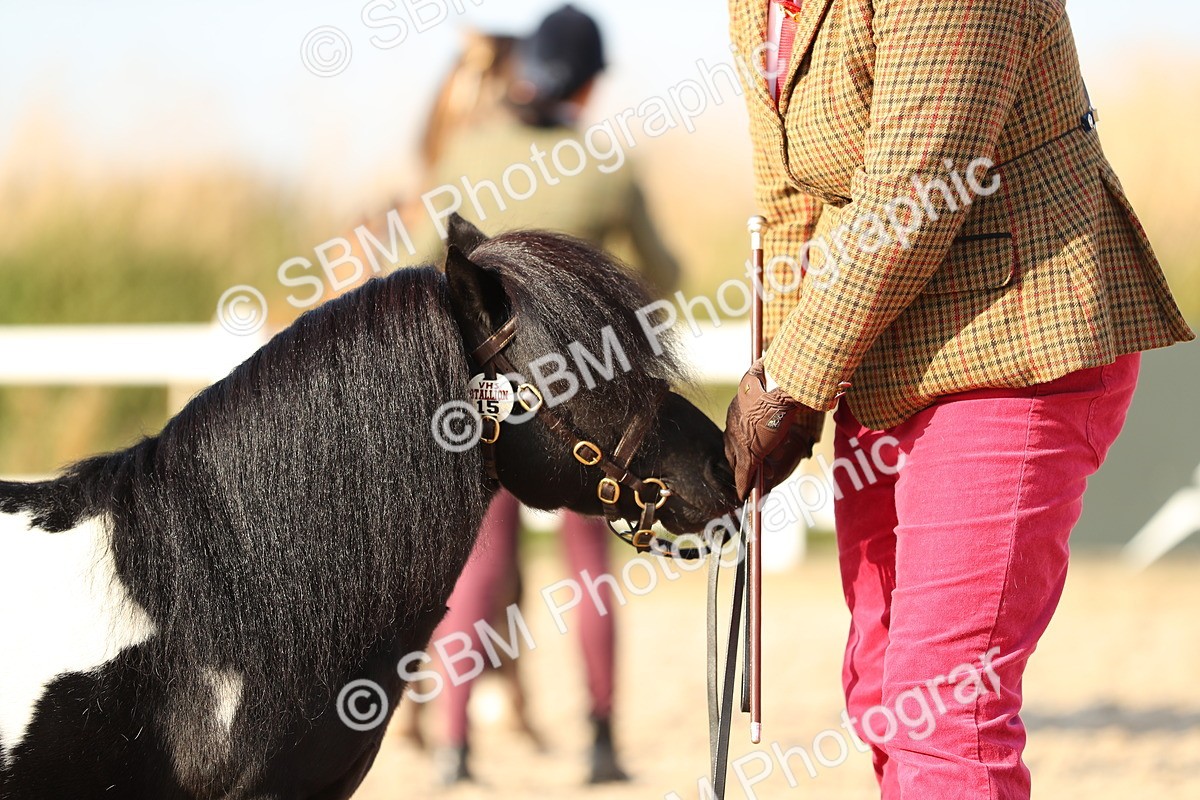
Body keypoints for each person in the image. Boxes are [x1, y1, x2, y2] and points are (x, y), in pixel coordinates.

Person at [721, 2, 1194, 799]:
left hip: (1012, 335)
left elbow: (919, 184)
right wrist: (773, 379)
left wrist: (789, 382)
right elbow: (790, 199)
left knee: (944, 709)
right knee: (881, 694)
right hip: (876, 347)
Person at [423, 5, 681, 786]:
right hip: (586, 395)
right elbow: (662, 273)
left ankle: (454, 745)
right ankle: (601, 742)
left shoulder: (464, 153)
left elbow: (420, 269)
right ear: (590, 83)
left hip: (492, 395)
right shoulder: (608, 166)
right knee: (589, 567)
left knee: (482, 563)